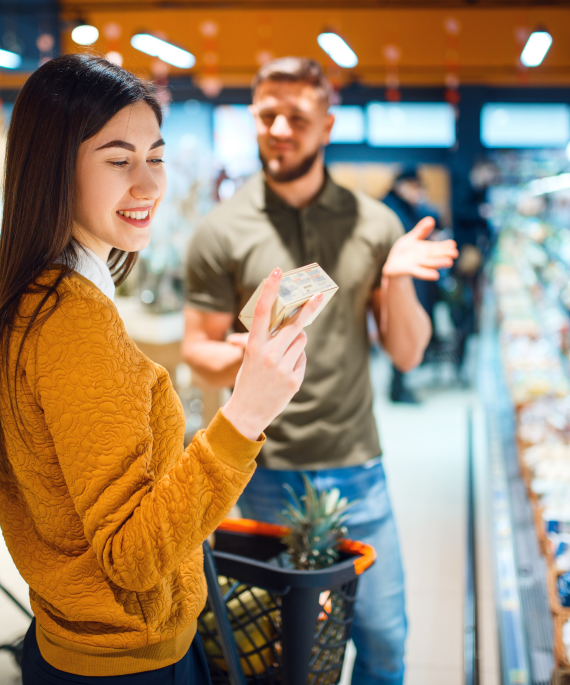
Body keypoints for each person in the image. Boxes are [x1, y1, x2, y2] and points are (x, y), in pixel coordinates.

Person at [0, 54, 324, 684]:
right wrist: (247, 412)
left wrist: (58, 535)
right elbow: (135, 558)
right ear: (55, 170)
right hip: (128, 665)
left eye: (156, 157)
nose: (149, 185)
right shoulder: (75, 322)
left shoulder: (25, 295)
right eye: (118, 160)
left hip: (64, 642)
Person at [182, 57, 457, 685]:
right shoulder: (221, 231)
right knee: (273, 651)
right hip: (259, 471)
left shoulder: (375, 224)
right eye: (266, 115)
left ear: (327, 125)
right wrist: (252, 359)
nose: (279, 128)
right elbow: (196, 350)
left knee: (385, 641)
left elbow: (408, 353)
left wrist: (394, 281)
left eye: (297, 117)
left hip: (357, 465)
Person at [381, 170, 441, 404]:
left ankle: (400, 384)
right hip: (398, 281)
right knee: (399, 330)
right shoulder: (391, 208)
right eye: (414, 187)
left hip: (406, 279)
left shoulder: (403, 207)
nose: (418, 193)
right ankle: (398, 388)